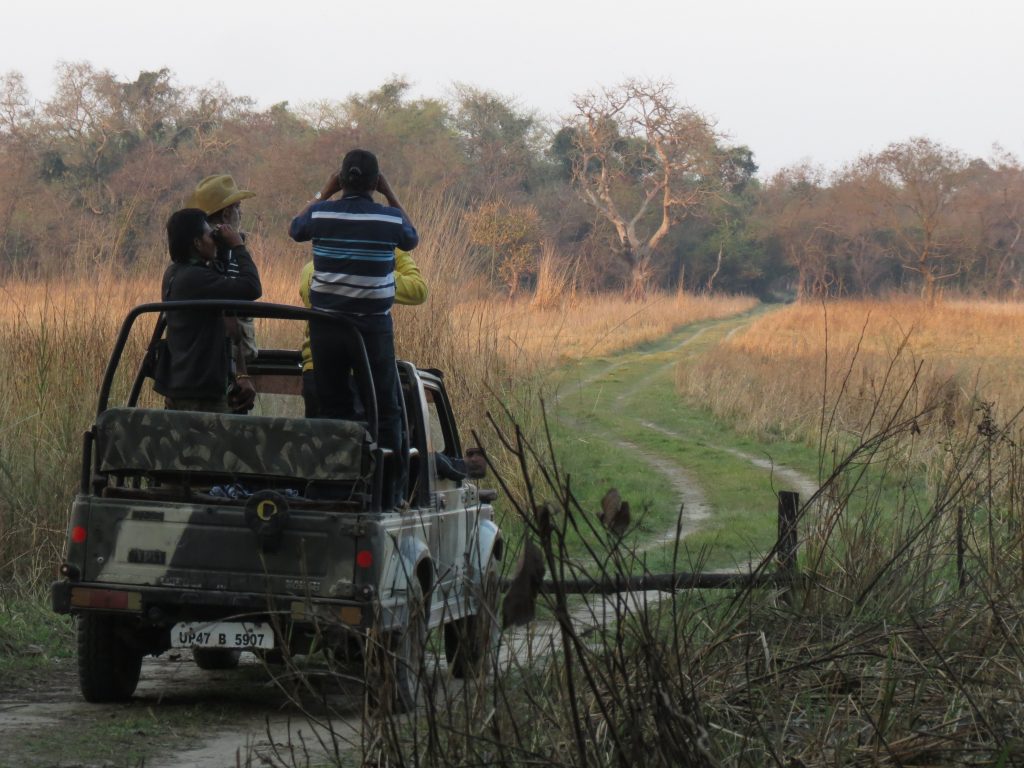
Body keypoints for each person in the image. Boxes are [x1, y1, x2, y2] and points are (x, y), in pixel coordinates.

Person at [289, 149, 418, 509]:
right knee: (386, 410)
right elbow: (411, 238)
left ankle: (333, 492)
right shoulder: (389, 218)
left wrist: (324, 192)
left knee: (332, 410)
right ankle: (388, 496)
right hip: (372, 328)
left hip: (326, 326)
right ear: (374, 183)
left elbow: (295, 229)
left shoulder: (321, 212)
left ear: (341, 179)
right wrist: (391, 194)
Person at [298, 249, 428, 418]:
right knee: (376, 437)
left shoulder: (310, 269)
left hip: (316, 370)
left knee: (326, 439)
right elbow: (418, 290)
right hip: (363, 371)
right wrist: (396, 251)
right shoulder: (372, 272)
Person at [155, 208, 262, 413]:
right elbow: (252, 287)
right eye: (209, 235)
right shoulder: (196, 279)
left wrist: (220, 247)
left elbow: (218, 275)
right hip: (200, 393)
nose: (214, 239)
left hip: (184, 385)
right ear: (196, 243)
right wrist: (238, 246)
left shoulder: (175, 273)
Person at [186, 174, 260, 409]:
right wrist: (241, 373)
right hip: (222, 367)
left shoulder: (194, 256)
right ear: (227, 214)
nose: (241, 213)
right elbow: (228, 316)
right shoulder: (212, 258)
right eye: (237, 207)